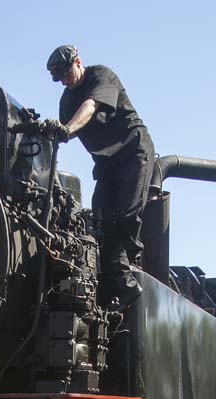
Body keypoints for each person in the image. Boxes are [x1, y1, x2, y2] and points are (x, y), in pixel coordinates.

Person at [45, 45, 155, 310]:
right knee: (100, 223)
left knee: (126, 215)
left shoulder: (101, 77)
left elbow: (90, 107)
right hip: (107, 166)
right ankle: (119, 283)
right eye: (58, 78)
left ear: (78, 62)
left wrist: (67, 128)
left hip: (133, 154)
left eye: (66, 73)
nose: (64, 81)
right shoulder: (65, 101)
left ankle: (133, 266)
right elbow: (58, 141)